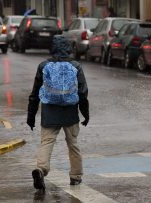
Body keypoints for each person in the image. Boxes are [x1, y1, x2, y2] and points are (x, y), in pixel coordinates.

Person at [27, 35, 89, 190]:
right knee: (73, 144)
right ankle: (75, 176)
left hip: (50, 111)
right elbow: (82, 92)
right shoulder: (75, 65)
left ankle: (41, 169)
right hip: (70, 112)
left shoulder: (43, 66)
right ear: (68, 48)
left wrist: (31, 116)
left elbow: (35, 94)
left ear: (52, 48)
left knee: (47, 142)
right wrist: (85, 113)